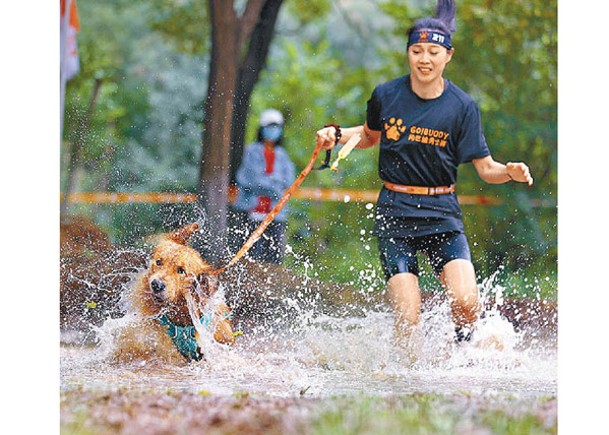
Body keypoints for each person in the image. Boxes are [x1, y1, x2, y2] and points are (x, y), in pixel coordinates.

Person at [315, 0, 533, 344]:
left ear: (448, 55)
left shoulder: (463, 107)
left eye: (433, 51)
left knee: (466, 303)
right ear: (408, 53)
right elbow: (370, 137)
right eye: (417, 50)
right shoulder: (386, 95)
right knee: (408, 317)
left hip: (442, 212)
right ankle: (407, 380)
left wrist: (509, 171)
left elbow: (486, 168)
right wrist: (335, 135)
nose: (425, 59)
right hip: (395, 212)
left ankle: (464, 358)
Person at [233, 109, 296, 264]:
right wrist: (273, 186)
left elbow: (288, 180)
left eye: (277, 127)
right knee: (252, 256)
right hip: (252, 211)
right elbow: (248, 179)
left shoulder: (282, 155)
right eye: (270, 126)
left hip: (275, 213)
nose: (273, 131)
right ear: (262, 128)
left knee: (274, 256)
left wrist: (266, 184)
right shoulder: (251, 151)